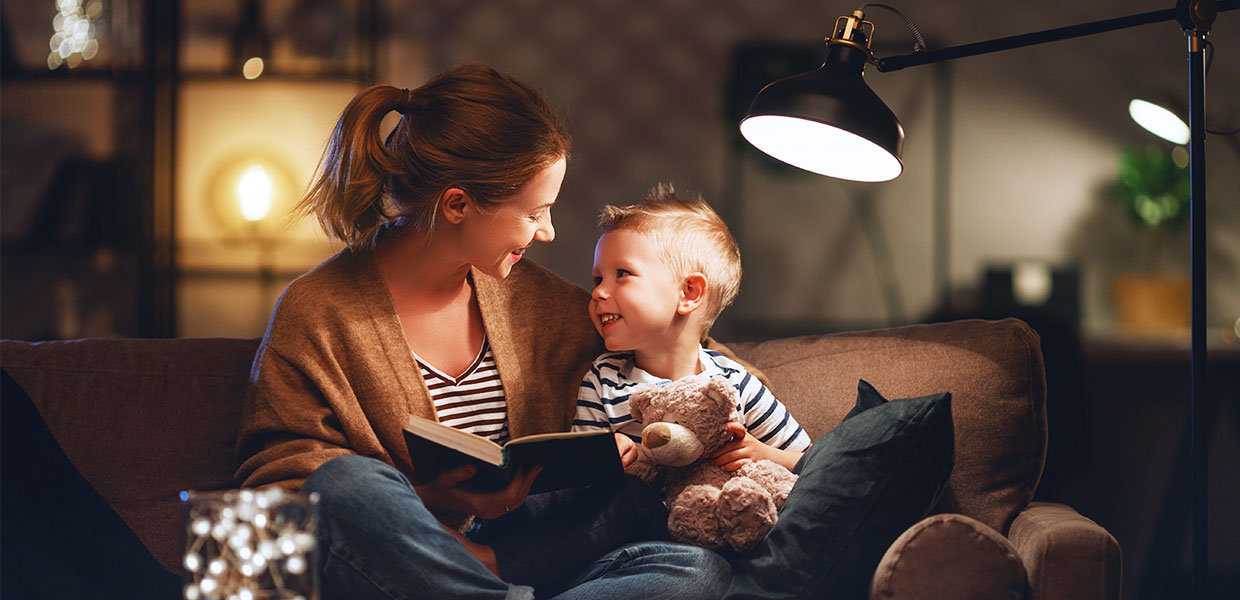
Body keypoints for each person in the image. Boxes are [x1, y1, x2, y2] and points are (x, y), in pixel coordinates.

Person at [235, 64, 729, 600]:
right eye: (535, 211)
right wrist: (423, 498)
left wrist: (739, 426)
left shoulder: (542, 305)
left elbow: (687, 353)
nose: (548, 231)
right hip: (405, 569)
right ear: (457, 205)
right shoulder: (319, 311)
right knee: (343, 486)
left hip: (534, 560)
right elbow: (280, 495)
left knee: (695, 572)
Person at [572, 184, 811, 473]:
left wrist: (764, 454)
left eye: (622, 274)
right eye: (598, 279)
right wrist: (608, 455)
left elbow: (813, 461)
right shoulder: (603, 380)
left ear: (689, 293)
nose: (598, 293)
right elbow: (576, 476)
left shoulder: (735, 384)